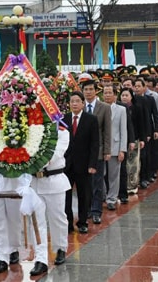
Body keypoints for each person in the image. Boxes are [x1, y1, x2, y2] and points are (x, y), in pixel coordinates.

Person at [29, 125, 71, 276]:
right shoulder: (29, 128)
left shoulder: (61, 131)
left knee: (57, 218)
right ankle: (40, 259)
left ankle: (60, 248)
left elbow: (54, 155)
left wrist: (31, 161)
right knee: (36, 222)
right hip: (34, 183)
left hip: (54, 180)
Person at [64, 91, 99, 234]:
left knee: (84, 195)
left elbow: (94, 144)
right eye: (72, 101)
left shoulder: (91, 119)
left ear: (83, 103)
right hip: (66, 165)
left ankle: (83, 222)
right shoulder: (64, 119)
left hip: (84, 165)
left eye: (77, 101)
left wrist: (92, 164)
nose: (74, 104)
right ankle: (68, 223)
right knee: (66, 195)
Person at [81, 78, 111, 225]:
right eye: (85, 90)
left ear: (95, 90)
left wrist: (107, 150)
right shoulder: (78, 106)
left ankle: (96, 211)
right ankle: (85, 209)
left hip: (98, 151)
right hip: (82, 153)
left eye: (91, 89)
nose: (88, 92)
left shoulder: (104, 107)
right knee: (84, 183)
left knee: (97, 183)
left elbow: (107, 131)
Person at [102, 85, 128, 210]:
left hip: (115, 146)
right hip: (101, 147)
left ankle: (111, 199)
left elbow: (123, 130)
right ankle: (102, 195)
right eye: (105, 93)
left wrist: (122, 149)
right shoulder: (99, 108)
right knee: (100, 174)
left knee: (114, 175)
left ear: (115, 95)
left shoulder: (121, 110)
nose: (107, 95)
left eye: (109, 92)